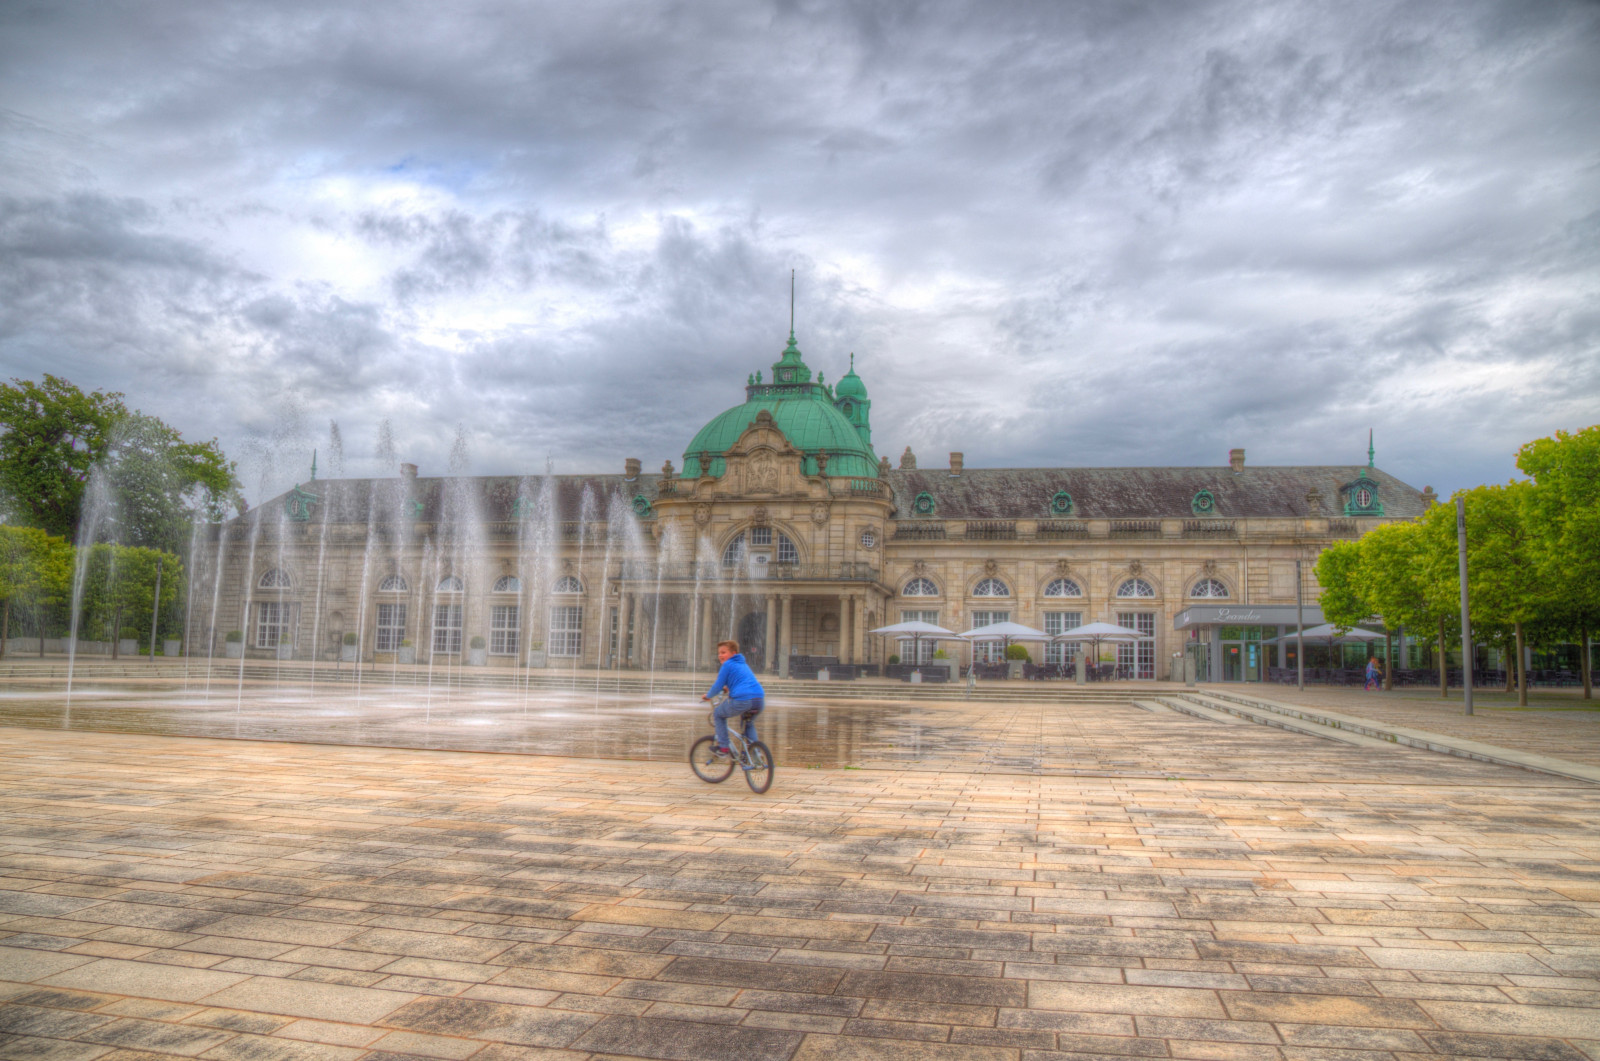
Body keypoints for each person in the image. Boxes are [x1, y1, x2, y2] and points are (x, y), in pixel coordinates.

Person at [703, 639, 763, 756]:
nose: (720, 655)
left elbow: (717, 685)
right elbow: (742, 681)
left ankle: (723, 748)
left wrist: (708, 696)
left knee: (718, 714)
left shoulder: (727, 665)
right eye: (719, 653)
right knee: (748, 723)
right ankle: (755, 754)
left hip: (743, 700)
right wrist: (728, 689)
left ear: (733, 653)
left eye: (724, 652)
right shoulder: (742, 664)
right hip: (758, 699)